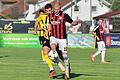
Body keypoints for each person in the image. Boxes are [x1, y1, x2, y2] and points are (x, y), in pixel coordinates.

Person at [45, 2, 81, 79]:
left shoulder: (64, 15)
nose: (56, 11)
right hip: (53, 37)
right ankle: (60, 65)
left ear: (60, 9)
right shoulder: (50, 15)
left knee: (65, 56)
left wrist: (76, 22)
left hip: (62, 38)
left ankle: (67, 71)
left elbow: (72, 23)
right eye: (55, 9)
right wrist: (47, 31)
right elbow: (50, 25)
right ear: (54, 9)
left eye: (58, 9)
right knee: (53, 51)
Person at [32, 9, 66, 78]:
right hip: (46, 38)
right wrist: (36, 30)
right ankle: (51, 69)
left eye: (50, 11)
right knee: (45, 52)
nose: (49, 12)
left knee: (59, 54)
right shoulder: (42, 17)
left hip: (54, 38)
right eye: (47, 11)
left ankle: (67, 67)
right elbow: (36, 23)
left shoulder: (56, 18)